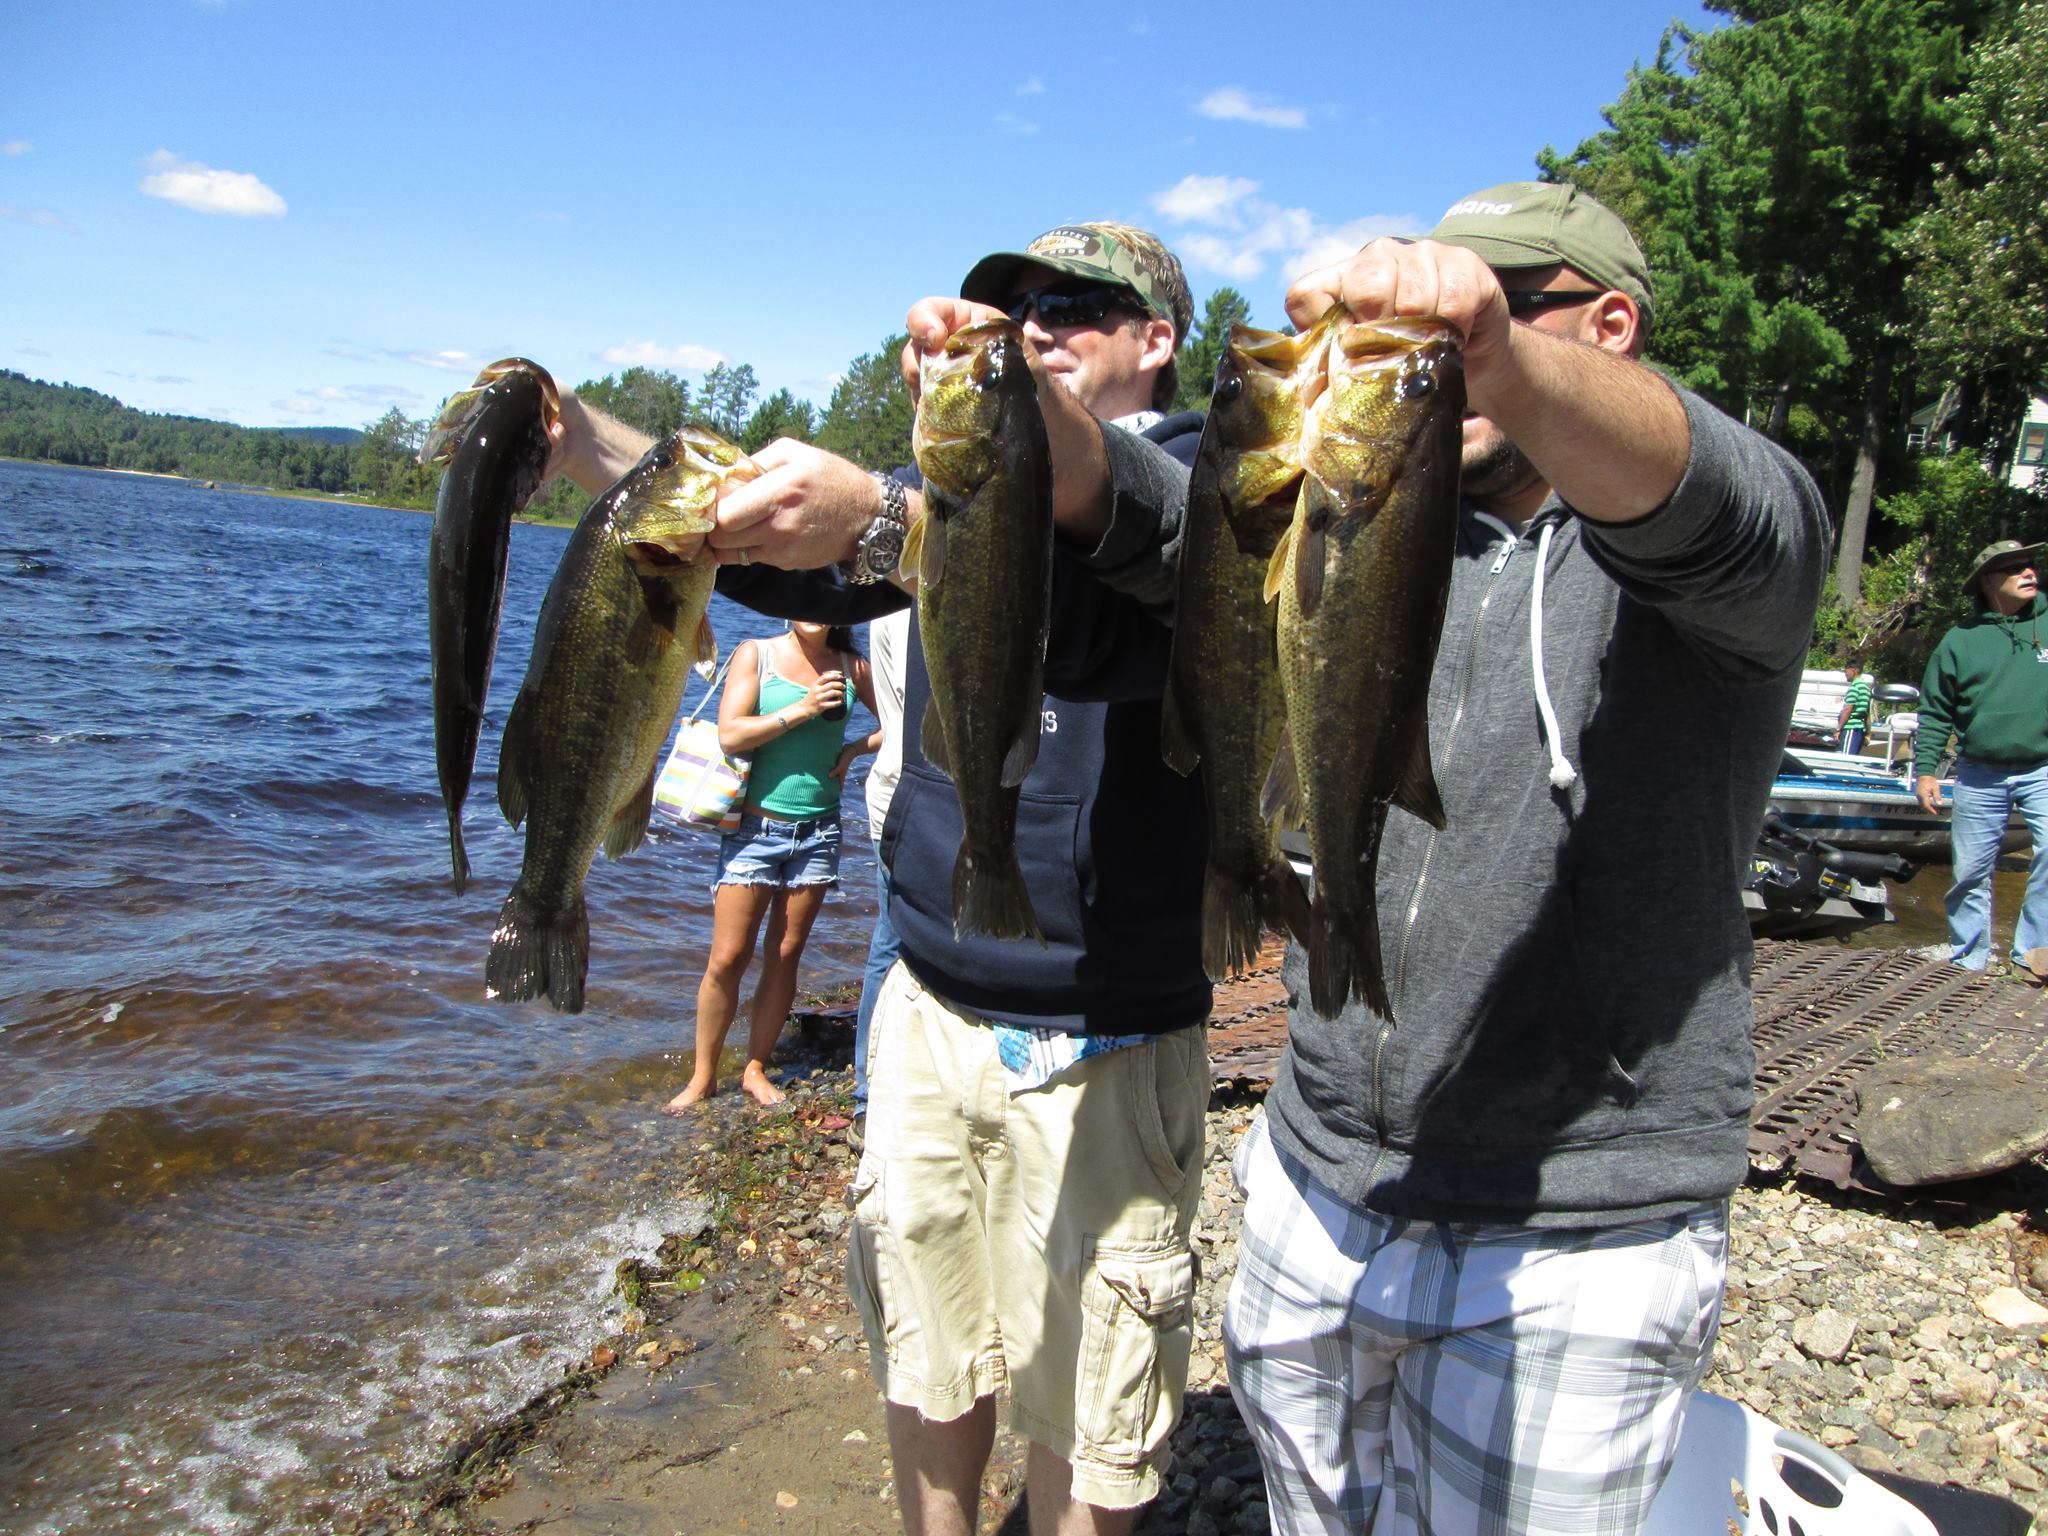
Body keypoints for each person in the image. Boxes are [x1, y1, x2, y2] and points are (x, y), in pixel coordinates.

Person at [547, 221, 1212, 1535]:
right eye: (1011, 311)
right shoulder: (945, 490)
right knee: (929, 1345)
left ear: (1157, 339)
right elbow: (772, 541)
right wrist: (589, 446)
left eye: (1078, 305)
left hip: (1110, 1030)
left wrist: (910, 504)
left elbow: (1125, 580)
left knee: (1092, 1400)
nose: (1036, 327)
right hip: (927, 1002)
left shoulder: (1206, 485)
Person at [1220, 181, 1830, 1536]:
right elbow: (1156, 506)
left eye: (1496, 302)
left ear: (1603, 325)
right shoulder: (1383, 515)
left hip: (1574, 1240)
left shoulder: (1731, 554)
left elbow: (1736, 506)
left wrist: (1481, 350)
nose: (1443, 332)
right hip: (1318, 1184)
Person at [664, 620, 880, 1111]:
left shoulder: (853, 665)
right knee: (728, 957)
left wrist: (854, 750)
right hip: (753, 832)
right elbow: (732, 734)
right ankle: (703, 1077)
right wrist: (803, 709)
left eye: (825, 599)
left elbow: (907, 718)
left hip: (819, 831)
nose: (814, 610)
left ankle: (755, 1067)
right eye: (804, 594)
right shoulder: (755, 654)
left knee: (785, 953)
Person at [1912, 539, 2048, 973]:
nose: (2029, 573)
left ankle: (2031, 954)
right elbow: (1935, 712)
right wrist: (1926, 772)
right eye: (2014, 568)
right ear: (1989, 581)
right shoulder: (1959, 641)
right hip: (1978, 773)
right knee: (1970, 872)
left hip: (2043, 767)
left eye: (2030, 565)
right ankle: (1969, 961)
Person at [850, 605, 910, 1145]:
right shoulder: (911, 605)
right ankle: (868, 1095)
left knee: (890, 943)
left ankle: (872, 1092)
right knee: (893, 944)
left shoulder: (885, 602)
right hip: (911, 797)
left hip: (893, 791)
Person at [1837, 660, 1873, 755]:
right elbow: (1867, 714)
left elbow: (1847, 709)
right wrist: (1868, 733)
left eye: (1846, 671)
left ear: (1854, 671)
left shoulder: (1854, 688)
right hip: (1860, 729)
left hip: (1850, 728)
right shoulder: (1866, 688)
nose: (1845, 674)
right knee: (1853, 758)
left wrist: (1838, 729)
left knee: (1846, 758)